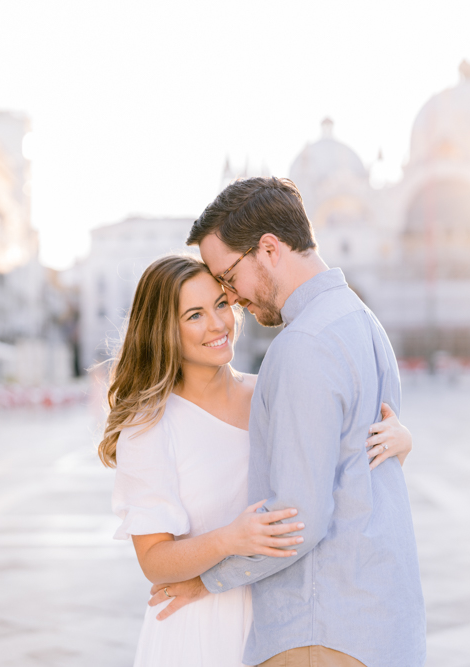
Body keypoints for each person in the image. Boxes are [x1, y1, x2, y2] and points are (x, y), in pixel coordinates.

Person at [153, 177, 426, 667]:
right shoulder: (362, 320)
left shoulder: (304, 344)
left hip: (319, 631)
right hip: (377, 624)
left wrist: (205, 580)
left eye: (229, 277)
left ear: (269, 249)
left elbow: (296, 520)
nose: (231, 299)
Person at [101, 254, 413, 667]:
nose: (217, 324)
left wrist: (400, 444)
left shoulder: (272, 389)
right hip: (200, 626)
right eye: (194, 315)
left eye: (220, 304)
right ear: (164, 331)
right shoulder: (149, 426)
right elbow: (154, 561)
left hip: (284, 617)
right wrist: (228, 539)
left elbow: (331, 485)